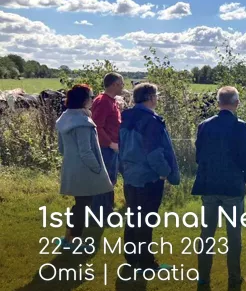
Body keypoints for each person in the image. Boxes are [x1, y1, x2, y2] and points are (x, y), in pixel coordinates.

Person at [192, 86, 246, 287]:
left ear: (218, 103)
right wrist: (245, 177)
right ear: (236, 103)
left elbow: (199, 155)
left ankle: (203, 276)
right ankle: (234, 276)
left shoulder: (204, 125)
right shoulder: (240, 126)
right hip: (232, 185)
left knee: (207, 232)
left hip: (209, 183)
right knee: (234, 234)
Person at [119, 83, 180, 272]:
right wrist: (164, 172)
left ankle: (132, 258)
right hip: (147, 176)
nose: (158, 98)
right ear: (150, 98)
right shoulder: (150, 121)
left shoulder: (126, 117)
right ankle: (146, 263)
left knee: (133, 218)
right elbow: (154, 152)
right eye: (156, 95)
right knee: (146, 220)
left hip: (130, 175)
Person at [55, 84, 113, 249]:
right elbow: (86, 152)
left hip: (72, 167)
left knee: (79, 204)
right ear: (84, 100)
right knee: (83, 206)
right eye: (91, 96)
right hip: (85, 170)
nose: (93, 99)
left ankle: (68, 238)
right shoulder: (82, 122)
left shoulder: (65, 117)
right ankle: (73, 241)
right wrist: (98, 169)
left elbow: (61, 148)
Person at [89, 72, 124, 221]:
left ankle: (107, 210)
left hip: (111, 147)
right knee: (104, 181)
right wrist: (110, 143)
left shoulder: (111, 101)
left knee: (110, 180)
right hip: (105, 148)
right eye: (121, 83)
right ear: (115, 84)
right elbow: (96, 126)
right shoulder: (103, 101)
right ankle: (99, 214)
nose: (123, 86)